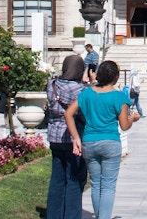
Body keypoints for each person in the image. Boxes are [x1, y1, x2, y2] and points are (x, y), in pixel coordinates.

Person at [65, 60, 140, 219]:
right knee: (108, 187)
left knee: (96, 184)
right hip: (110, 142)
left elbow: (68, 113)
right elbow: (124, 125)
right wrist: (133, 118)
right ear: (116, 77)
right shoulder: (119, 97)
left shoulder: (86, 93)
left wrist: (76, 137)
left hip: (89, 141)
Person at [46, 55, 88, 219]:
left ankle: (54, 214)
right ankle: (72, 215)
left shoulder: (52, 84)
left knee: (57, 178)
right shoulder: (80, 90)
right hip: (73, 136)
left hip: (54, 135)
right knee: (74, 179)